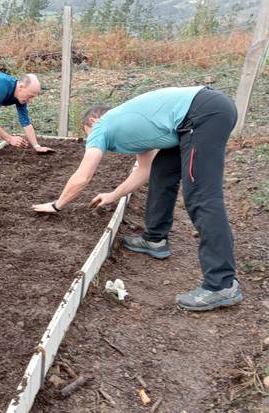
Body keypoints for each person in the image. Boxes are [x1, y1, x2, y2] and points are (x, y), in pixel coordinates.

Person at [32, 86, 243, 311]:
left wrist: (57, 205)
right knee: (163, 170)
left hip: (202, 115)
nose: (91, 140)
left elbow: (83, 176)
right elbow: (145, 169)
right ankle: (154, 240)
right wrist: (113, 195)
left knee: (202, 197)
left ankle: (221, 284)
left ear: (93, 120)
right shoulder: (139, 127)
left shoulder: (101, 126)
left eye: (88, 134)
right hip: (198, 115)